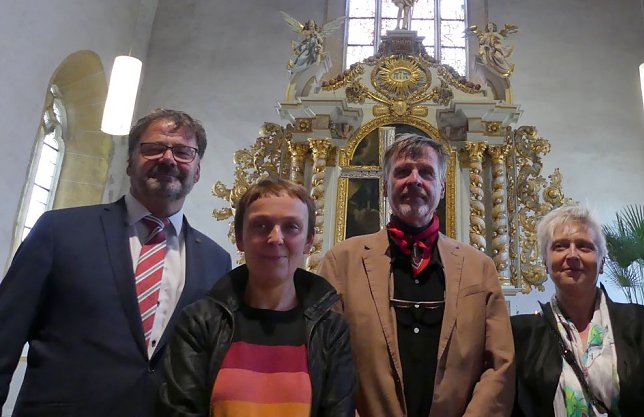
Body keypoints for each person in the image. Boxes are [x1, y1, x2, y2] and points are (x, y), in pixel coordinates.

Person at [0, 109, 231, 417]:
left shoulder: (215, 260)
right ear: (129, 161)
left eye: (183, 152)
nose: (168, 159)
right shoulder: (60, 231)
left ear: (198, 170)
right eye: (152, 148)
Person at [320, 133, 514, 417]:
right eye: (402, 172)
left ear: (442, 187)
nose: (414, 180)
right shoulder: (342, 262)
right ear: (386, 188)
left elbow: (500, 365)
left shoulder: (480, 267)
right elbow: (327, 362)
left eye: (426, 172)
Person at [158, 178, 354, 417]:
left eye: (291, 226)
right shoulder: (199, 322)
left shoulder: (331, 331)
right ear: (240, 238)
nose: (275, 238)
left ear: (309, 241)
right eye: (261, 225)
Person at [512, 204, 644, 417]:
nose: (572, 255)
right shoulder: (521, 335)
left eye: (584, 246)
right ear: (546, 262)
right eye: (560, 246)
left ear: (602, 262)